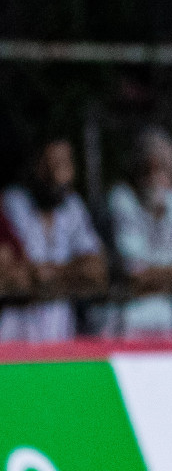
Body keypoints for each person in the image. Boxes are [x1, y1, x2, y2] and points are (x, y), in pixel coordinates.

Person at [0, 139, 108, 342]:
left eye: (62, 164)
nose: (55, 174)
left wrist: (48, 273)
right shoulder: (12, 202)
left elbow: (96, 270)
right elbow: (12, 275)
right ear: (35, 166)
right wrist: (69, 273)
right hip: (14, 333)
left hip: (60, 332)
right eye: (48, 164)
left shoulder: (72, 205)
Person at [108, 128, 172, 338]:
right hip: (126, 315)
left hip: (167, 314)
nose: (156, 176)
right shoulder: (122, 199)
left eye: (164, 168)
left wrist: (159, 275)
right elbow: (134, 274)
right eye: (150, 167)